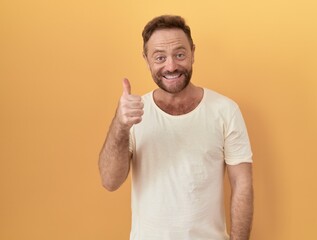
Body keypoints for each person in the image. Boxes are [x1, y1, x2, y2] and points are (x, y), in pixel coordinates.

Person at [99, 15, 254, 240]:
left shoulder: (225, 110)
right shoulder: (133, 114)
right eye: (160, 57)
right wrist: (120, 126)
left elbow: (242, 183)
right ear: (146, 59)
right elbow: (109, 182)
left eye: (179, 54)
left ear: (192, 52)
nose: (171, 66)